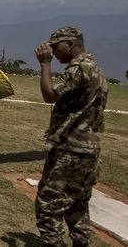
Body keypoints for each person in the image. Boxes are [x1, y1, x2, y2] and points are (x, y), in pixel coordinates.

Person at [34, 27, 108, 247]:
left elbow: (50, 95)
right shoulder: (95, 67)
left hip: (71, 150)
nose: (53, 52)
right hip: (88, 150)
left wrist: (45, 64)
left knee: (48, 204)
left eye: (57, 47)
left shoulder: (79, 68)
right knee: (77, 205)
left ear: (71, 43)